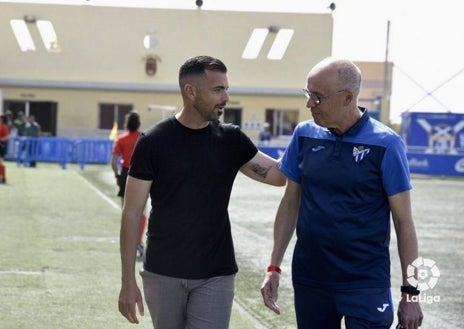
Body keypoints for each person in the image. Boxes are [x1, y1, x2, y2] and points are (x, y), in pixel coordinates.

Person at [118, 55, 286, 329]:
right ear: (191, 91)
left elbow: (278, 175)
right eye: (218, 89)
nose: (226, 97)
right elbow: (132, 212)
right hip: (163, 272)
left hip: (215, 274)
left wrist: (310, 140)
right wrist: (127, 282)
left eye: (226, 88)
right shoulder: (153, 142)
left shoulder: (231, 140)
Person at [260, 57, 423, 329]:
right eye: (308, 94)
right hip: (310, 281)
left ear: (348, 98)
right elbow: (290, 204)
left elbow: (404, 223)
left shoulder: (387, 144)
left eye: (318, 97)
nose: (309, 103)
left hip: (365, 284)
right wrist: (274, 268)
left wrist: (411, 294)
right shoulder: (304, 134)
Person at [111, 110, 147, 258]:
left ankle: (126, 242)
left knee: (126, 211)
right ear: (138, 123)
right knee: (141, 211)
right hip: (142, 174)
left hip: (126, 173)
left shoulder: (121, 139)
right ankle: (138, 240)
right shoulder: (143, 137)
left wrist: (117, 175)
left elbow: (113, 162)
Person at [0, 114, 9, 183]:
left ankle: (3, 177)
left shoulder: (4, 127)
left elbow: (6, 137)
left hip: (1, 146)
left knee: (1, 162)